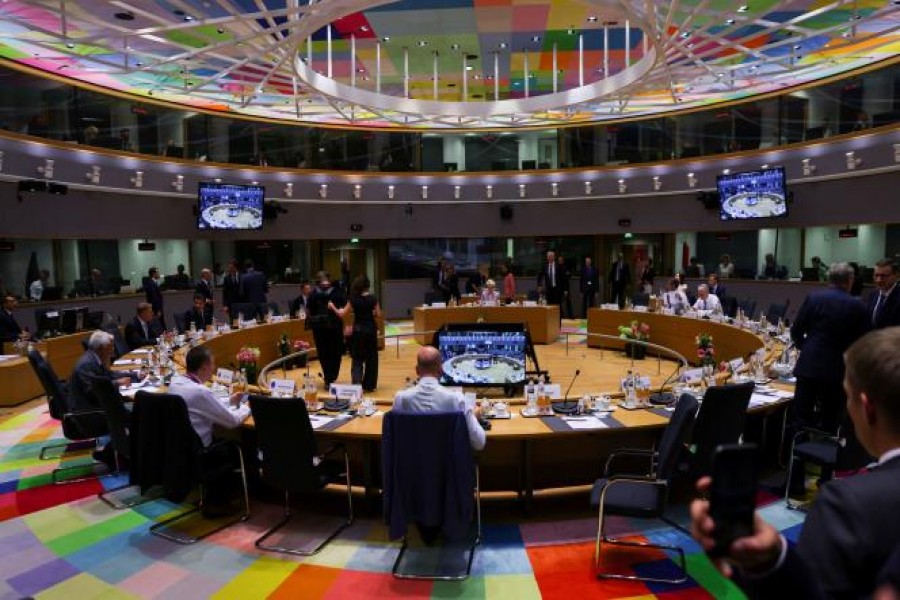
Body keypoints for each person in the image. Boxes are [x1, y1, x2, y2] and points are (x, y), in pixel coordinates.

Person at [690, 327, 900, 599]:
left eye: (848, 396)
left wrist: (768, 567)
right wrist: (773, 555)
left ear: (867, 408)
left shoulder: (847, 504)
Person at [790, 262, 870, 440]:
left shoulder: (814, 298)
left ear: (829, 279)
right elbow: (864, 342)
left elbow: (796, 331)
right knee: (831, 419)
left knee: (800, 418)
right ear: (850, 281)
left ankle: (795, 460)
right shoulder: (858, 306)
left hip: (809, 367)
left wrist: (807, 347)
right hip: (837, 371)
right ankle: (824, 461)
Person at [393, 346, 486, 452]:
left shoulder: (400, 399)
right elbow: (479, 443)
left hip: (411, 467)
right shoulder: (457, 400)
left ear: (417, 370)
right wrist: (472, 417)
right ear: (441, 370)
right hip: (449, 467)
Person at [168, 345, 250, 448]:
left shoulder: (175, 383)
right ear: (204, 367)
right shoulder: (201, 392)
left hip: (178, 447)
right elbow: (232, 421)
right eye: (212, 364)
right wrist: (247, 406)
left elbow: (200, 405)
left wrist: (229, 401)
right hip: (200, 449)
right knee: (237, 445)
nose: (214, 367)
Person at [330, 275, 380, 391]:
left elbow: (342, 314)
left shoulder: (353, 299)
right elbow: (378, 314)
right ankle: (369, 385)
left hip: (358, 331)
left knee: (357, 358)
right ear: (367, 286)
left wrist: (333, 307)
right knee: (372, 357)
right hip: (371, 330)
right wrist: (369, 313)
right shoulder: (373, 298)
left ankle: (357, 384)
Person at [68, 330, 135, 412]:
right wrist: (117, 383)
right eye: (111, 347)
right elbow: (93, 391)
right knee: (140, 409)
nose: (113, 350)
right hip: (89, 411)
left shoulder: (94, 358)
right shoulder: (87, 365)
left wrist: (136, 375)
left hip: (98, 404)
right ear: (102, 348)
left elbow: (110, 375)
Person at [305, 271, 346, 387]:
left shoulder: (313, 294)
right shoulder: (337, 292)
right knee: (336, 352)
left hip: (319, 329)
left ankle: (328, 377)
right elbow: (343, 308)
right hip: (335, 328)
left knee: (323, 353)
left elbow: (308, 311)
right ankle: (332, 376)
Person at [869, 258, 900, 329]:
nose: (879, 280)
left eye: (883, 276)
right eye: (876, 275)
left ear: (896, 276)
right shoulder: (873, 294)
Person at [557, 253, 573, 318]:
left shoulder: (566, 267)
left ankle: (570, 315)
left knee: (568, 302)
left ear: (563, 260)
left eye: (561, 260)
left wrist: (566, 289)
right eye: (559, 260)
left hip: (565, 288)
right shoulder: (556, 267)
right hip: (558, 288)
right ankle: (561, 315)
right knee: (559, 303)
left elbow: (568, 277)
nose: (560, 261)